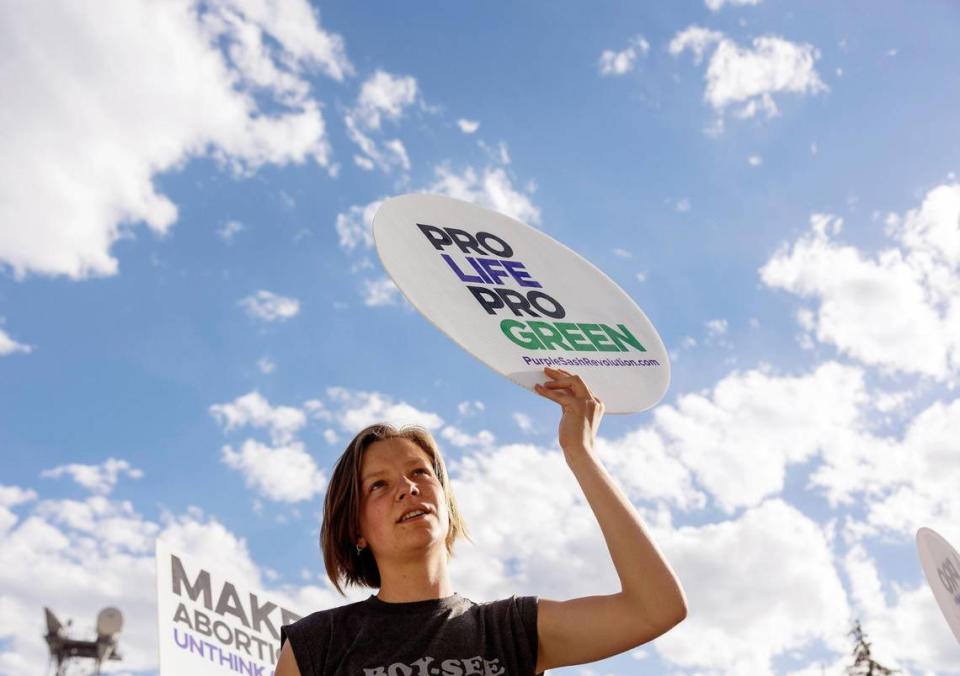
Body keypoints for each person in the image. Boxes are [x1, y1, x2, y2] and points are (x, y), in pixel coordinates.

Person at [276, 366, 686, 675]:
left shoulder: (507, 629)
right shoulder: (318, 642)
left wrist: (580, 452)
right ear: (355, 531)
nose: (408, 487)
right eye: (378, 485)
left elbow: (657, 608)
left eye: (420, 472)